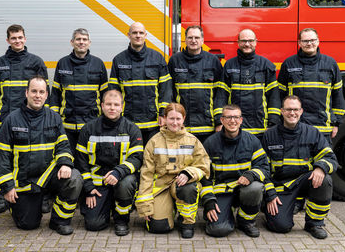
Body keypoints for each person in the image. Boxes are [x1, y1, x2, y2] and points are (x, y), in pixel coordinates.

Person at [0, 76, 82, 235]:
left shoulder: (54, 117)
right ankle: (16, 205)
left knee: (74, 179)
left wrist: (65, 164)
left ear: (46, 95)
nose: (37, 95)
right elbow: (1, 156)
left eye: (41, 92)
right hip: (25, 181)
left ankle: (59, 221)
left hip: (48, 176)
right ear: (26, 93)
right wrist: (7, 186)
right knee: (27, 224)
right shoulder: (12, 119)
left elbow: (63, 145)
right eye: (34, 91)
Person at [0, 24, 49, 214]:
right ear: (8, 40)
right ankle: (3, 197)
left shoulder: (36, 62)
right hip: (6, 121)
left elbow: (45, 92)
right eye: (13, 38)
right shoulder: (0, 63)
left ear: (25, 39)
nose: (17, 41)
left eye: (20, 37)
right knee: (4, 159)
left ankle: (42, 197)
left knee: (35, 158)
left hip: (31, 119)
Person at [261, 95, 337, 239]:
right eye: (288, 109)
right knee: (280, 226)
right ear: (282, 111)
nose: (292, 113)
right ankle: (272, 209)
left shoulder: (312, 133)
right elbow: (262, 167)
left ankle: (314, 223)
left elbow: (330, 158)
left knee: (325, 179)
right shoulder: (269, 135)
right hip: (281, 187)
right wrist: (269, 194)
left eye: (295, 109)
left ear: (301, 111)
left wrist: (320, 168)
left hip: (304, 181)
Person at [135, 103, 210, 239]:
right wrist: (145, 206)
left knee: (188, 189)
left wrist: (188, 173)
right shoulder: (154, 142)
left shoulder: (193, 141)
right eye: (171, 119)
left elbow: (204, 167)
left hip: (181, 185)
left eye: (178, 119)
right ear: (164, 118)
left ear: (183, 119)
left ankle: (186, 222)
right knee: (158, 227)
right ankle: (169, 208)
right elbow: (146, 174)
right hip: (160, 188)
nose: (175, 123)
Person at [75, 90, 143, 236]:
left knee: (127, 183)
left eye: (116, 104)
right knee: (94, 225)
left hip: (121, 180)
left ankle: (121, 220)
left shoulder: (132, 129)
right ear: (102, 105)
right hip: (98, 185)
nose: (112, 108)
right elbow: (81, 162)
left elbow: (136, 158)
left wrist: (118, 172)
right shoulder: (88, 129)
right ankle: (106, 206)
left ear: (122, 107)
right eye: (109, 104)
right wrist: (88, 189)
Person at [201, 104, 269, 238]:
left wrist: (251, 175)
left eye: (236, 117)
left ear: (241, 120)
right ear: (222, 120)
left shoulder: (252, 141)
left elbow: (264, 167)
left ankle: (246, 221)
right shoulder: (210, 143)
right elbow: (204, 177)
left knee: (255, 187)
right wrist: (209, 201)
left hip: (243, 189)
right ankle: (225, 215)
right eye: (228, 117)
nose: (233, 121)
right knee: (218, 230)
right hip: (221, 192)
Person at [278, 28, 345, 144]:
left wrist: (336, 123)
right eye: (305, 41)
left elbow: (338, 95)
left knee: (323, 161)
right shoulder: (289, 64)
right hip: (295, 127)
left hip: (323, 128)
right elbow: (279, 95)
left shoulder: (330, 64)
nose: (309, 43)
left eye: (312, 40)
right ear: (299, 43)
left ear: (318, 41)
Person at [108, 22, 172, 145]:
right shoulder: (119, 60)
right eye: (134, 33)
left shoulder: (157, 58)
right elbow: (113, 92)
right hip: (126, 121)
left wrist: (163, 113)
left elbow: (166, 90)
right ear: (128, 35)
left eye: (141, 33)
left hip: (153, 123)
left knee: (152, 158)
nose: (138, 35)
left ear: (145, 35)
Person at [50, 28, 108, 154]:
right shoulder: (62, 63)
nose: (81, 42)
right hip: (67, 126)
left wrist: (104, 121)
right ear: (72, 42)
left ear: (89, 43)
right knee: (68, 158)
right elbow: (55, 94)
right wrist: (54, 120)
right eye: (78, 39)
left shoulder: (98, 64)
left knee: (90, 160)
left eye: (84, 39)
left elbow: (105, 97)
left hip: (92, 125)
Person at [167, 25, 227, 143]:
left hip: (207, 126)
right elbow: (170, 92)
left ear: (202, 40)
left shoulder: (213, 61)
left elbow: (220, 94)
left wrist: (219, 121)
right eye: (190, 37)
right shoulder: (175, 60)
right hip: (181, 125)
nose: (193, 40)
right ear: (185, 39)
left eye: (196, 37)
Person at [218, 29, 280, 140]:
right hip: (234, 128)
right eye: (243, 41)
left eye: (250, 41)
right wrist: (219, 120)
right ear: (238, 43)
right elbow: (222, 95)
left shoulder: (266, 65)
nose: (247, 44)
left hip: (261, 128)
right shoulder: (229, 65)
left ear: (256, 42)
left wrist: (273, 123)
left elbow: (274, 97)